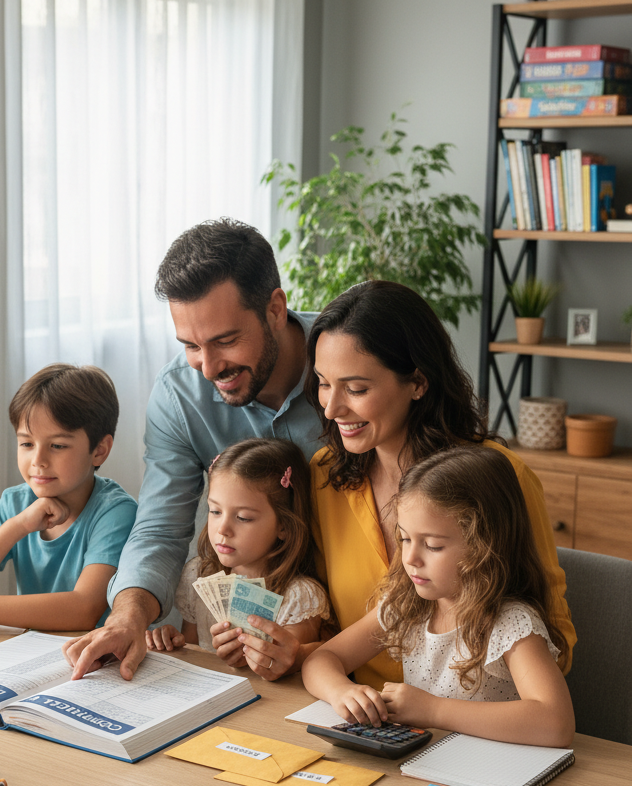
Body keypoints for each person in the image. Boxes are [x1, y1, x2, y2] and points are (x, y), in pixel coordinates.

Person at [64, 219, 322, 680]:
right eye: (190, 346)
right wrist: (127, 618)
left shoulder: (347, 361)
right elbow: (160, 530)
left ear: (276, 309)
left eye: (225, 341)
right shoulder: (179, 396)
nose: (208, 367)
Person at [306, 280, 575, 690]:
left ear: (417, 381)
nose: (331, 407)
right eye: (324, 383)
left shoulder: (499, 477)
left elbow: (555, 634)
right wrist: (299, 649)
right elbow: (330, 625)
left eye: (356, 388)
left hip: (475, 726)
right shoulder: (325, 475)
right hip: (366, 713)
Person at [302, 447, 575, 747]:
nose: (410, 558)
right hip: (427, 765)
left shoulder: (510, 623)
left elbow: (556, 723)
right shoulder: (408, 606)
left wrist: (433, 710)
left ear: (484, 546)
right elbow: (321, 660)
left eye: (432, 545)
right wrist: (341, 691)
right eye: (404, 539)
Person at [0, 363, 137, 631]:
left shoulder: (116, 512)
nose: (38, 461)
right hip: (30, 654)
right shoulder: (17, 503)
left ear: (99, 450)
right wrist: (19, 525)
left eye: (57, 446)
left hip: (96, 661)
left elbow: (84, 609)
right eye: (27, 444)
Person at [145, 438, 331, 678]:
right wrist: (175, 643)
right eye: (215, 511)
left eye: (243, 517)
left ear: (284, 526)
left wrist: (249, 661)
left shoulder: (299, 598)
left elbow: (289, 674)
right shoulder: (198, 575)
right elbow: (194, 653)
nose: (222, 529)